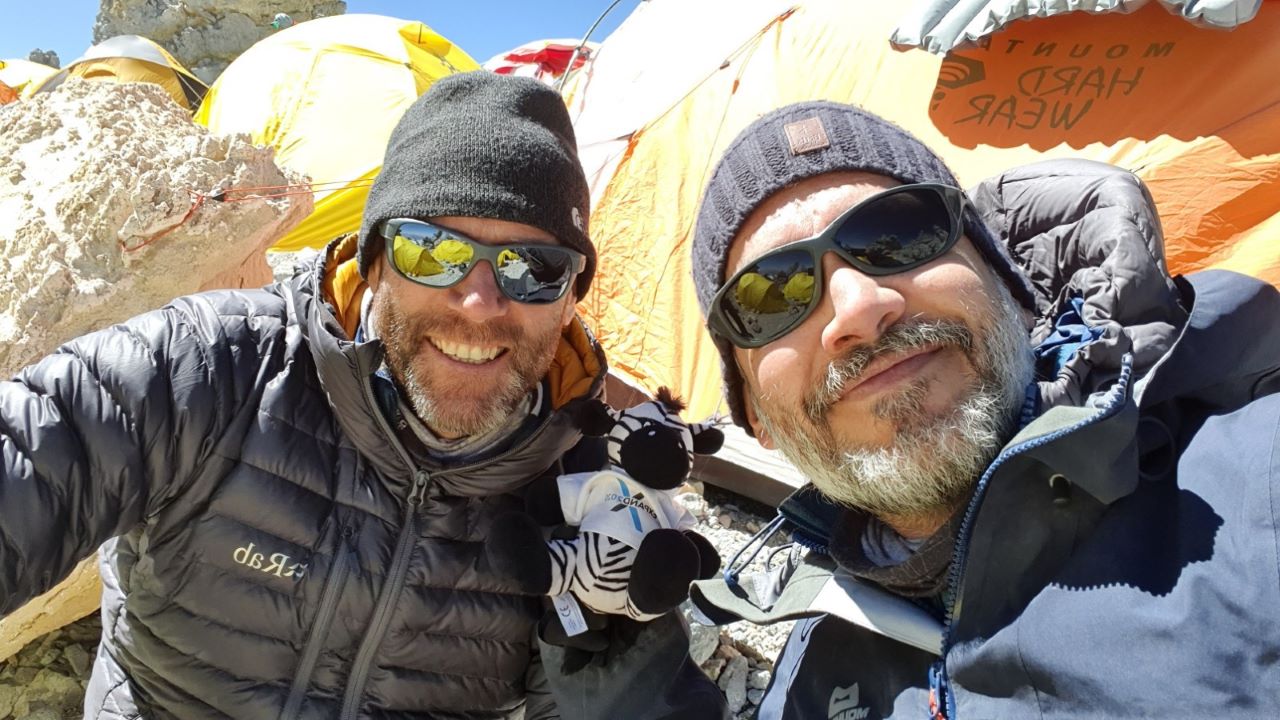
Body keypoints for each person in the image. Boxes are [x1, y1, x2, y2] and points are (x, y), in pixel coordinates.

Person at [0, 71, 723, 720]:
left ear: (569, 302)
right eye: (430, 250)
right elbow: (32, 458)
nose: (478, 301)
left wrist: (616, 667)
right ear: (373, 263)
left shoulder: (585, 488)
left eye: (532, 267)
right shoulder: (212, 368)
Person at [686, 100, 1280, 718]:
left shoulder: (1257, 481)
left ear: (1012, 290)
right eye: (772, 294)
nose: (858, 307)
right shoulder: (813, 666)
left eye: (898, 234)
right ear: (756, 417)